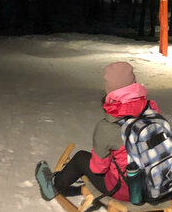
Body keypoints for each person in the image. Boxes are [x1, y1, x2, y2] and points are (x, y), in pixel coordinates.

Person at [35, 61, 160, 202]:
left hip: (128, 191)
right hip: (158, 183)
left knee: (81, 158)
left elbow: (98, 169)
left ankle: (52, 186)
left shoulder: (108, 126)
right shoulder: (151, 110)